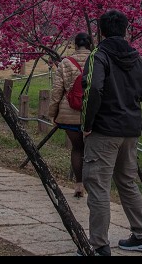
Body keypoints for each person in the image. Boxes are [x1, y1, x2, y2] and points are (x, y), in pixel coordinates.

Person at [81, 9, 142, 255]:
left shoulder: (99, 55)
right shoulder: (136, 57)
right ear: (125, 30)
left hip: (104, 130)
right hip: (130, 130)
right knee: (127, 182)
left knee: (98, 185)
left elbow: (93, 89)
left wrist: (87, 123)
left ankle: (99, 245)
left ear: (101, 31)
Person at [49, 32, 93, 198]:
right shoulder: (98, 60)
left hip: (70, 112)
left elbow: (57, 91)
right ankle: (94, 186)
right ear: (90, 44)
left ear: (75, 45)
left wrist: (53, 113)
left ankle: (79, 185)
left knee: (77, 148)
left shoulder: (65, 62)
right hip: (93, 113)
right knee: (92, 151)